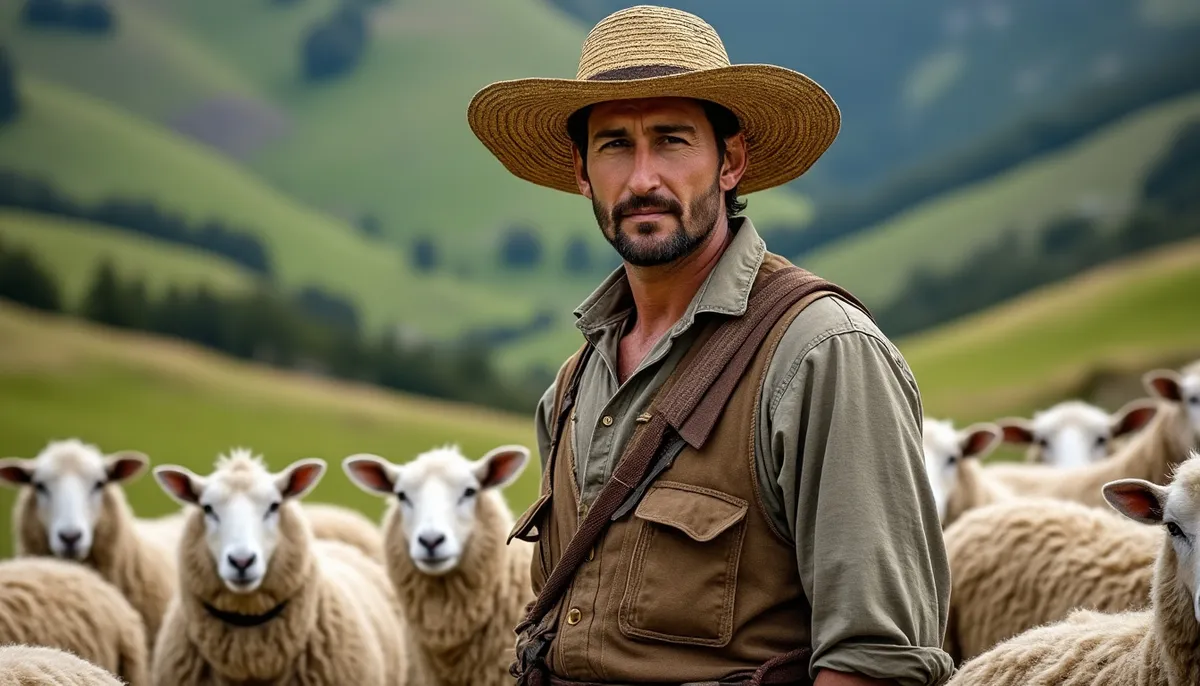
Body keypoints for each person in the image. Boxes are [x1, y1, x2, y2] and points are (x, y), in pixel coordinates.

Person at [467, 6, 953, 686]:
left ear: (731, 161)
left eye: (671, 141)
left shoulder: (821, 355)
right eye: (613, 145)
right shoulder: (573, 388)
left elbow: (876, 661)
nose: (641, 179)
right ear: (581, 172)